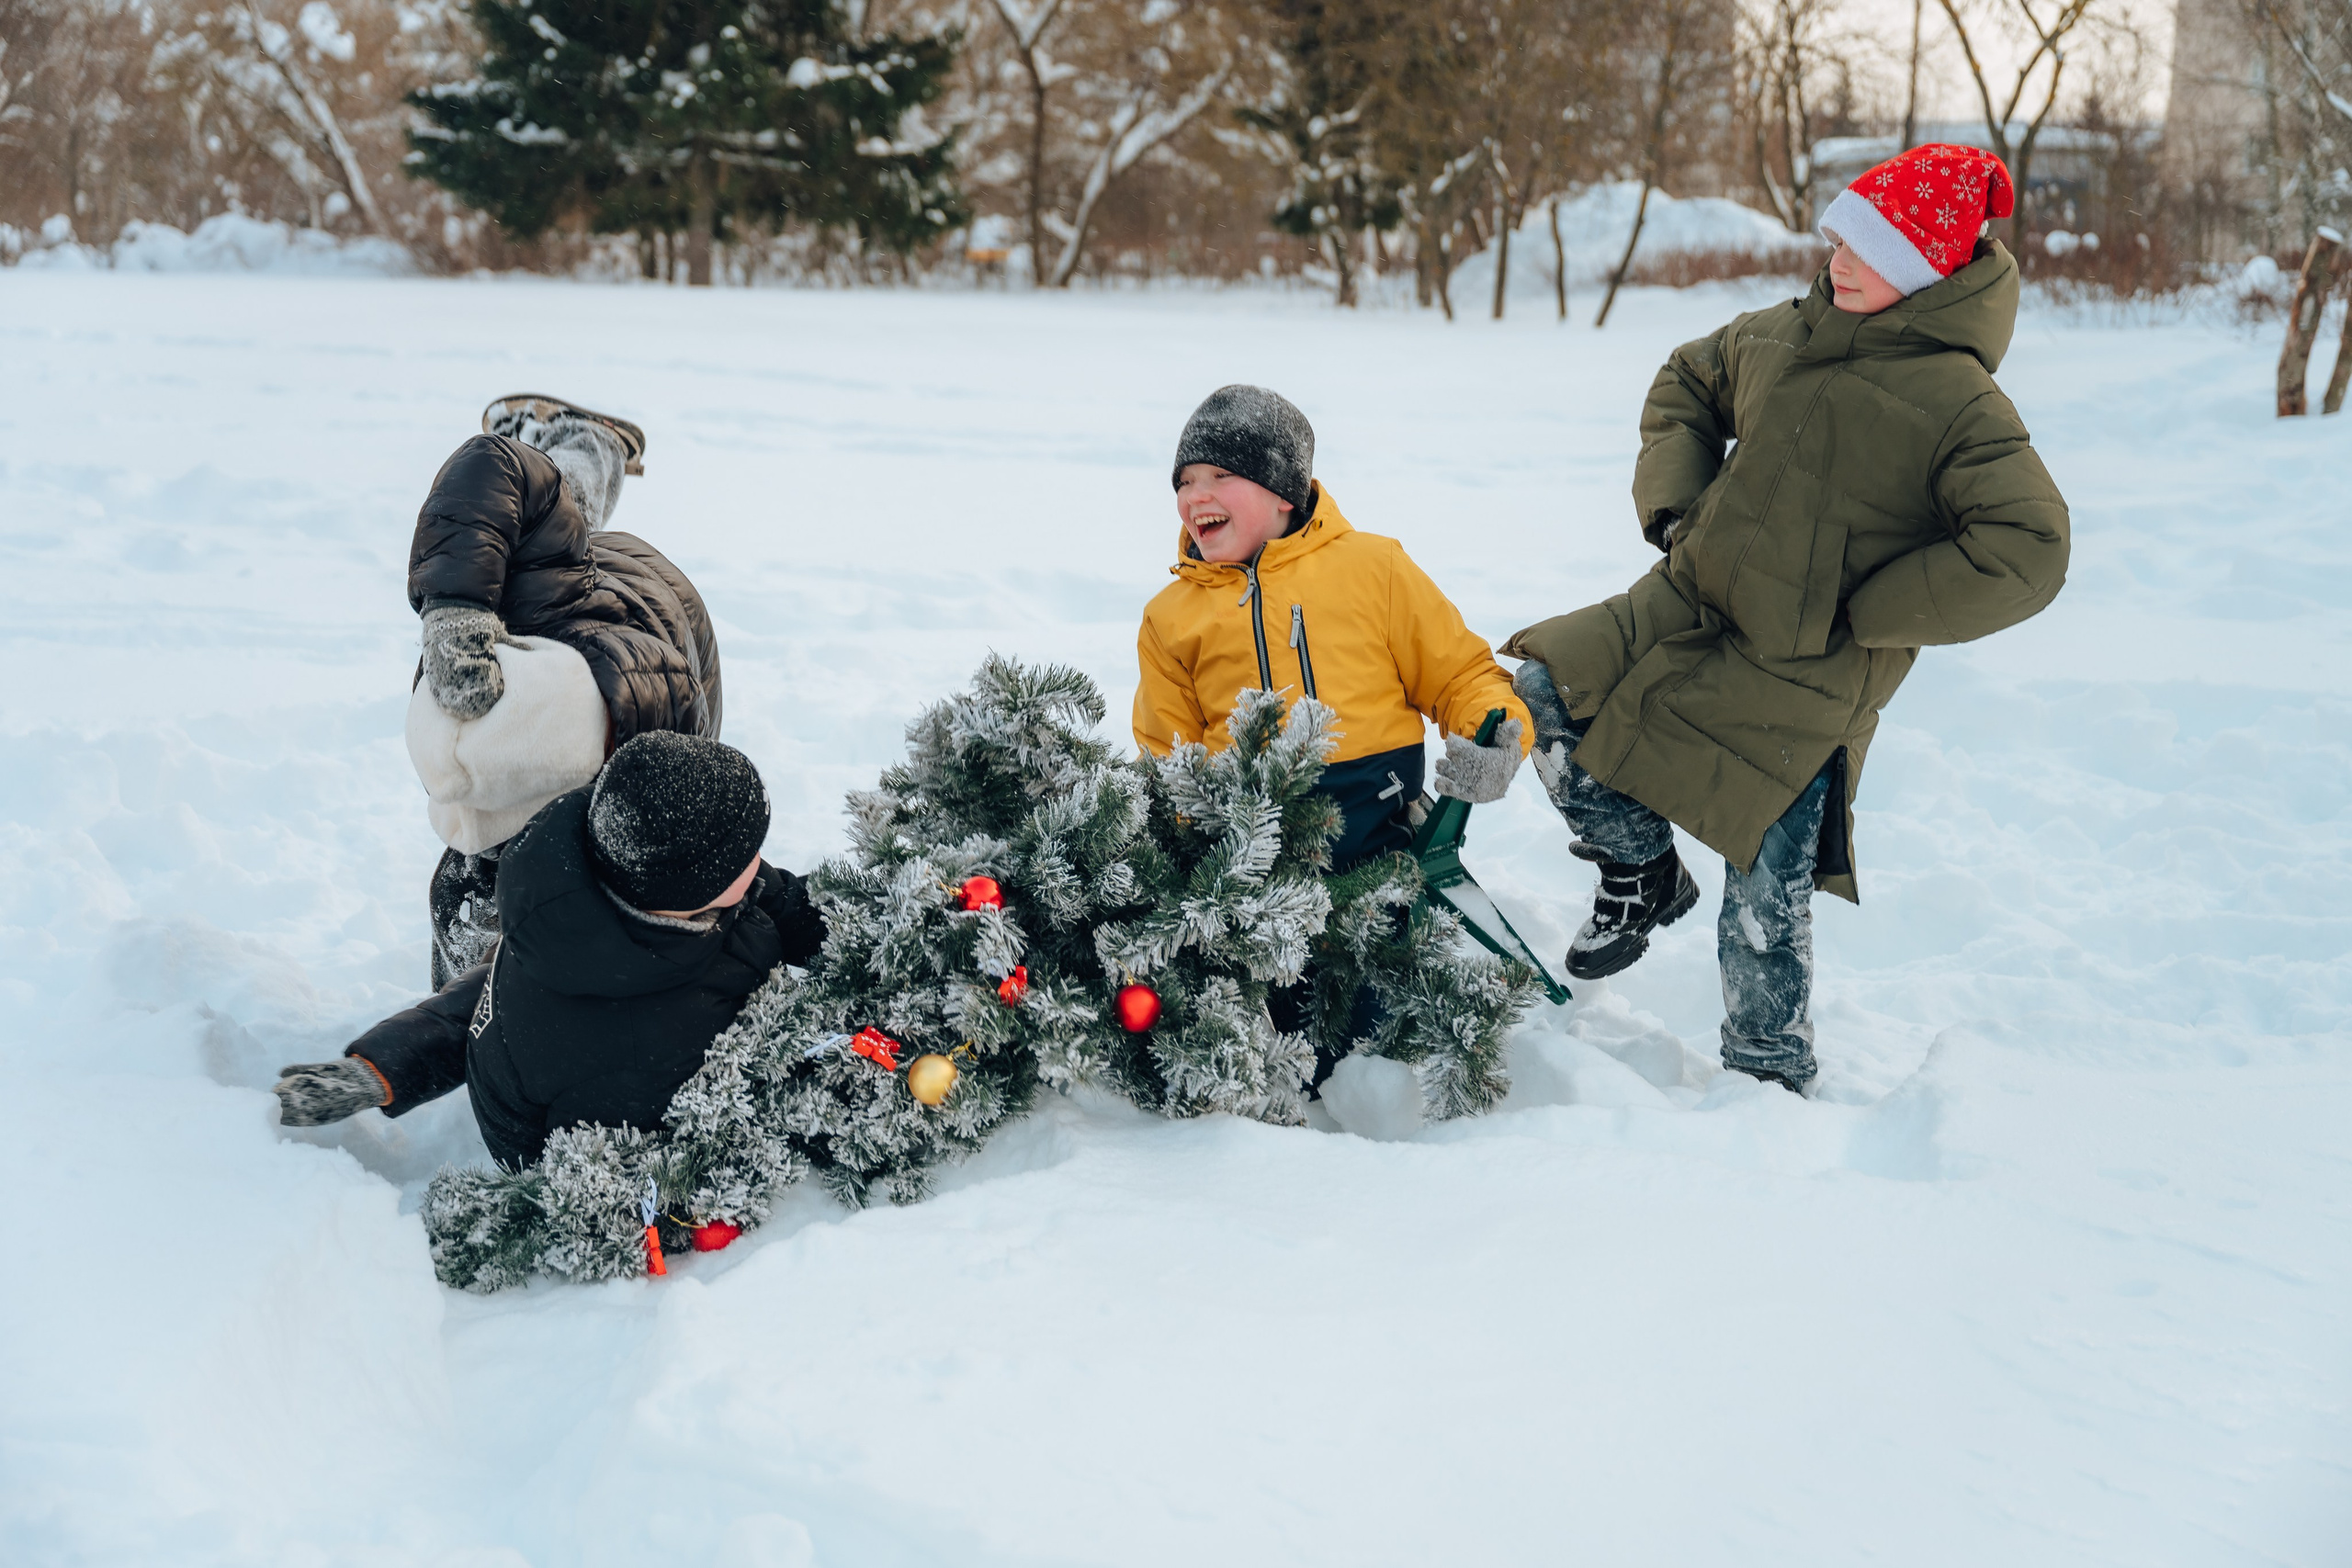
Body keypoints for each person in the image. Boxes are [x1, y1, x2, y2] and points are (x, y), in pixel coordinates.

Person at [1502, 144, 2070, 1094]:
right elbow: (1685, 382)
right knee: (1535, 696)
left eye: (1869, 249)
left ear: (1927, 269)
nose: (1838, 260)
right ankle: (1639, 869)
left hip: (1804, 669)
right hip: (1686, 599)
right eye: (1838, 239)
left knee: (1764, 888)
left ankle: (1766, 1073)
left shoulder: (1957, 403)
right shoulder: (1777, 335)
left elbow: (2029, 548)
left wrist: (1870, 607)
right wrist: (1680, 510)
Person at [1133, 384, 1532, 1076]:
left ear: (1284, 491)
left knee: (1377, 1027)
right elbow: (1168, 752)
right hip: (1252, 857)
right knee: (1276, 1034)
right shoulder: (1171, 617)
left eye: (1222, 475)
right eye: (1186, 481)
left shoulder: (1373, 570)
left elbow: (1459, 671)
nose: (1198, 495)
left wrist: (1493, 730)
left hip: (1372, 836)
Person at [272, 732, 825, 1168]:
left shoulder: (614, 885)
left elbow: (780, 899)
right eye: (746, 854)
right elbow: (668, 1161)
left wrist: (862, 922)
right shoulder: (629, 1050)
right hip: (570, 1135)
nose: (760, 861)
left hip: (605, 1019)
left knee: (503, 996)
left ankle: (380, 1067)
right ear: (691, 893)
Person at [407, 394, 723, 987]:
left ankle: (576, 438)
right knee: (549, 510)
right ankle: (572, 440)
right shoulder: (524, 603)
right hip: (555, 623)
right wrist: (454, 610)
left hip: (651, 646)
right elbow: (490, 467)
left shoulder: (650, 731)